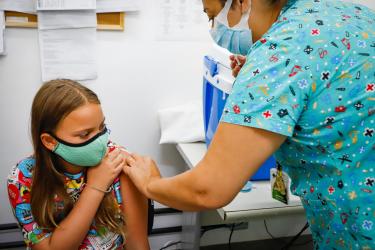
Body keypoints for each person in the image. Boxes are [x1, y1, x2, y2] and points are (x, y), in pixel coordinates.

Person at [124, 0, 375, 249]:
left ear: (242, 3)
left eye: (214, 17)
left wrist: (150, 184)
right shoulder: (352, 14)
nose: (215, 29)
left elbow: (207, 189)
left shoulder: (278, 54)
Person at [7, 79, 150, 250]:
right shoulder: (23, 178)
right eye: (84, 134)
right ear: (50, 141)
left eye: (101, 126)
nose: (100, 141)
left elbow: (138, 245)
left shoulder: (119, 164)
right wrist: (95, 186)